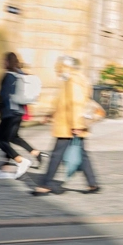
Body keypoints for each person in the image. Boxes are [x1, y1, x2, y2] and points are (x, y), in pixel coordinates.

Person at [33, 56, 99, 195]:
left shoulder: (73, 80)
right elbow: (62, 101)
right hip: (71, 124)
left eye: (58, 66)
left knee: (56, 154)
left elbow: (75, 103)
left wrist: (76, 125)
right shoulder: (71, 79)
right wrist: (51, 114)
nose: (56, 70)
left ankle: (46, 184)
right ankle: (92, 184)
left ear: (65, 66)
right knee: (82, 154)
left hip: (69, 125)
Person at [0, 52, 43, 179]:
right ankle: (9, 164)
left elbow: (4, 97)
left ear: (7, 62)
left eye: (4, 60)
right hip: (19, 113)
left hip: (9, 113)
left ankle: (21, 161)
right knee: (11, 138)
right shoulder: (20, 74)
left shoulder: (7, 76)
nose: (2, 63)